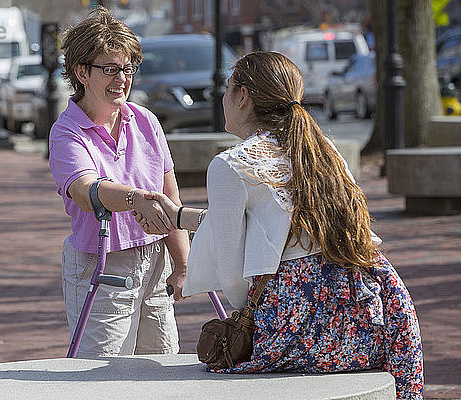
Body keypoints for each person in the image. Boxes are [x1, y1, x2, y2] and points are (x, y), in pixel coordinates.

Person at [135, 52, 423, 399]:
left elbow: (232, 272)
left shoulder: (230, 165)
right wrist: (179, 215)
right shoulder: (321, 149)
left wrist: (249, 316)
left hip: (300, 322)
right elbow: (272, 228)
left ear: (243, 97)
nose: (223, 98)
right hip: (370, 308)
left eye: (228, 89)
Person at [47, 7, 189, 357]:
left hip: (155, 261)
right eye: (110, 69)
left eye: (127, 68)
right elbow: (84, 190)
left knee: (162, 370)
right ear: (82, 71)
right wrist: (135, 198)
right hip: (102, 265)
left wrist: (183, 262)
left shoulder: (145, 120)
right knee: (103, 378)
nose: (122, 78)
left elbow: (169, 194)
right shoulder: (66, 133)